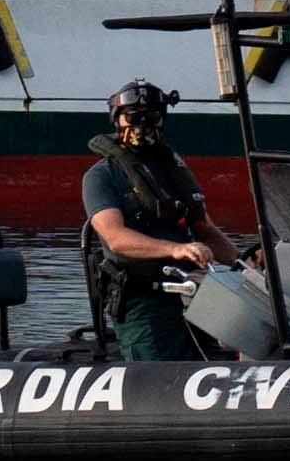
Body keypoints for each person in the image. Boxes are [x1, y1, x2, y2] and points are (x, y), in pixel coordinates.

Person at [81, 81, 241, 364]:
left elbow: (205, 228)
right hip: (144, 301)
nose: (142, 125)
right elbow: (115, 237)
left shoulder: (172, 169)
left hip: (196, 294)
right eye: (133, 117)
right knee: (158, 375)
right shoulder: (101, 176)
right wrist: (175, 249)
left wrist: (245, 264)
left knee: (216, 363)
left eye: (151, 117)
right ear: (117, 119)